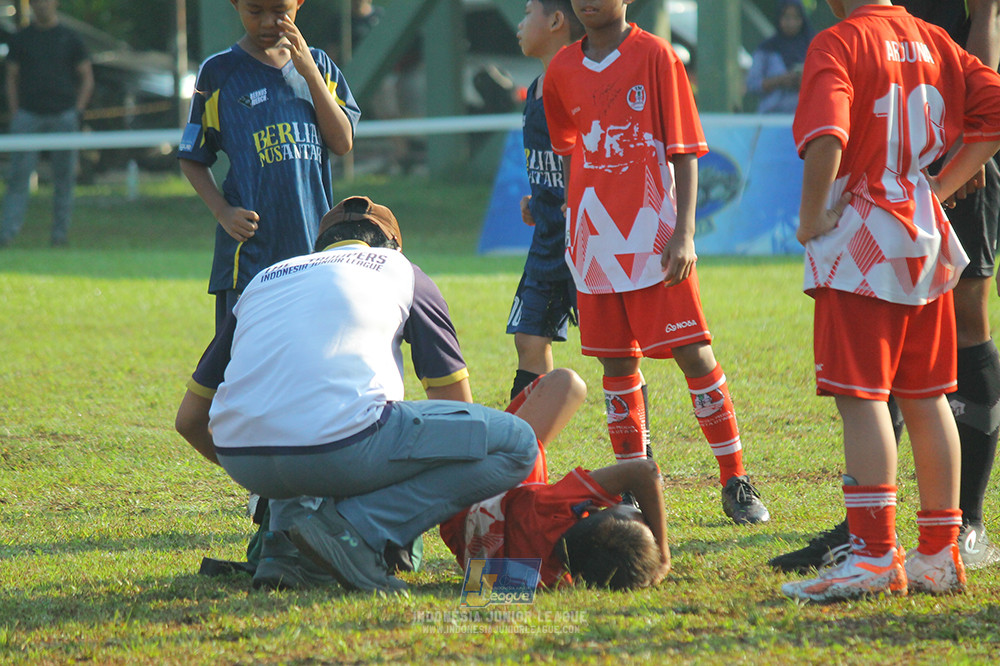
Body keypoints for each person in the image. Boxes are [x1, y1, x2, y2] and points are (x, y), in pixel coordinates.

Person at [175, 195, 538, 593]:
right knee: (517, 444)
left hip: (243, 458)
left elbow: (189, 420)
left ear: (320, 248)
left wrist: (264, 467)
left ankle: (284, 548)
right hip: (338, 448)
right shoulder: (400, 270)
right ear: (393, 247)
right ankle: (357, 531)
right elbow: (456, 412)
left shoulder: (265, 278)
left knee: (305, 426)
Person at [769, 0, 1000, 576]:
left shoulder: (839, 41)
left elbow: (828, 133)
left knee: (864, 399)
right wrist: (940, 185)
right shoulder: (933, 38)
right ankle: (940, 554)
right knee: (927, 398)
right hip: (923, 235)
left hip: (861, 238)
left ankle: (872, 557)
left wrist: (810, 215)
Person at [540, 0, 770, 525]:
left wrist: (684, 233)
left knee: (694, 353)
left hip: (653, 236)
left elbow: (684, 151)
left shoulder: (657, 57)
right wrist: (571, 217)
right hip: (595, 240)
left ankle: (735, 479)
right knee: (617, 365)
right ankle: (632, 488)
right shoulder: (561, 69)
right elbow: (568, 148)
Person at [177, 0, 360, 333]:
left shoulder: (319, 65)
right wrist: (222, 211)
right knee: (243, 354)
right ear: (235, 4)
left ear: (299, 3)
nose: (267, 22)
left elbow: (342, 142)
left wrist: (309, 73)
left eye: (280, 11)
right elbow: (191, 157)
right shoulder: (219, 72)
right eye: (255, 11)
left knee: (307, 350)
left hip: (312, 248)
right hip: (250, 254)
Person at [440, 368, 671, 590]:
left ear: (588, 511)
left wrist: (663, 556)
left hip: (469, 480)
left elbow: (644, 472)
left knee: (568, 384)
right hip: (456, 528)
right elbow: (477, 584)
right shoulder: (551, 581)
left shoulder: (554, 509)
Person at [505, 0, 586, 401]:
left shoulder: (583, 81)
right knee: (529, 339)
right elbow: (554, 165)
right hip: (548, 239)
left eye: (527, 13)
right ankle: (527, 439)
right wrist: (539, 200)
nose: (520, 25)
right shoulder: (536, 87)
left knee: (616, 352)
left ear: (556, 21)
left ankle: (635, 442)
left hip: (587, 241)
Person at [0, 0, 93, 248]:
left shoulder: (70, 38)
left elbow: (87, 77)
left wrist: (77, 111)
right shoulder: (21, 38)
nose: (42, 5)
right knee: (18, 177)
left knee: (64, 179)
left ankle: (59, 236)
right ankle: (7, 235)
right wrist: (16, 112)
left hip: (64, 115)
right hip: (28, 116)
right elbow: (11, 77)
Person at [745, 0, 813, 114]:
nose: (791, 23)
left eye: (796, 18)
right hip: (771, 116)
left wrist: (804, 80)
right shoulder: (767, 49)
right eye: (787, 18)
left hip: (805, 115)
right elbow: (752, 84)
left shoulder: (813, 47)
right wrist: (779, 81)